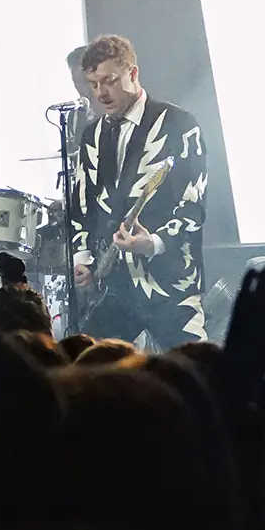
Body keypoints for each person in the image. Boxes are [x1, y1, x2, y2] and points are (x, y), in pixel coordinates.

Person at [70, 35, 207, 349]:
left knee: (201, 379)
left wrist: (153, 243)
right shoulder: (92, 135)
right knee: (79, 370)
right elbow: (81, 209)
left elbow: (193, 207)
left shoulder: (179, 124)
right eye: (93, 84)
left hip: (170, 286)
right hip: (115, 289)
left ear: (133, 73)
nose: (101, 93)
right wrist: (84, 260)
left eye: (109, 81)